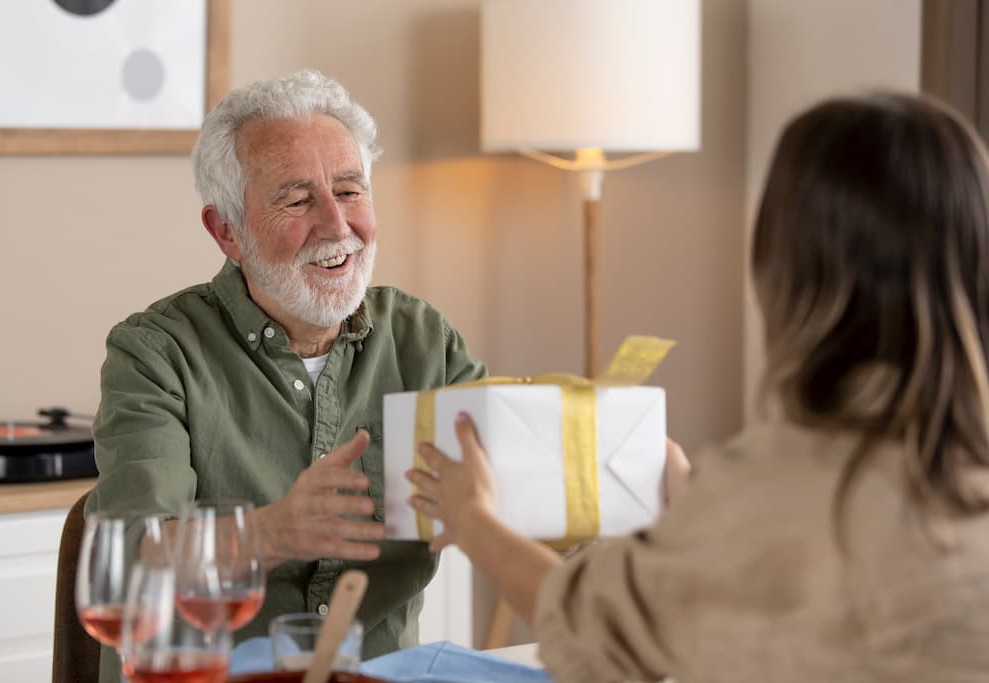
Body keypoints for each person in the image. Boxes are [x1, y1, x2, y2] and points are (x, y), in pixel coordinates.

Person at [408, 92, 989, 682]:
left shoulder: (779, 489)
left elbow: (587, 628)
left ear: (784, 271)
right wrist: (697, 516)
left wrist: (473, 519)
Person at [86, 69, 487, 681]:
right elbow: (136, 561)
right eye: (297, 200)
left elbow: (521, 490)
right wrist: (271, 533)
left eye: (350, 191)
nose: (336, 225)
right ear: (227, 232)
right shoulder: (156, 352)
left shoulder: (423, 339)